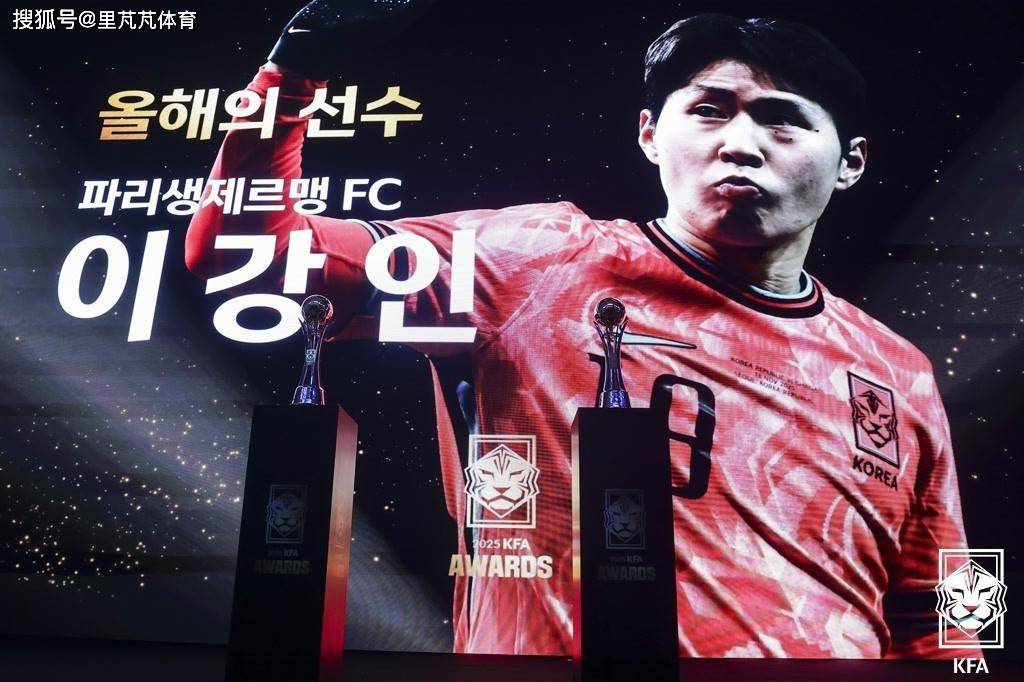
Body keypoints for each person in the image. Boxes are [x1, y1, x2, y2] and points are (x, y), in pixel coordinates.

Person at [187, 2, 977, 658]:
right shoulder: (534, 260)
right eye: (709, 110)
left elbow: (945, 620)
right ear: (649, 134)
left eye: (784, 120)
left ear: (851, 162)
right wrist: (291, 79)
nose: (740, 143)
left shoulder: (898, 370)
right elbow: (244, 258)